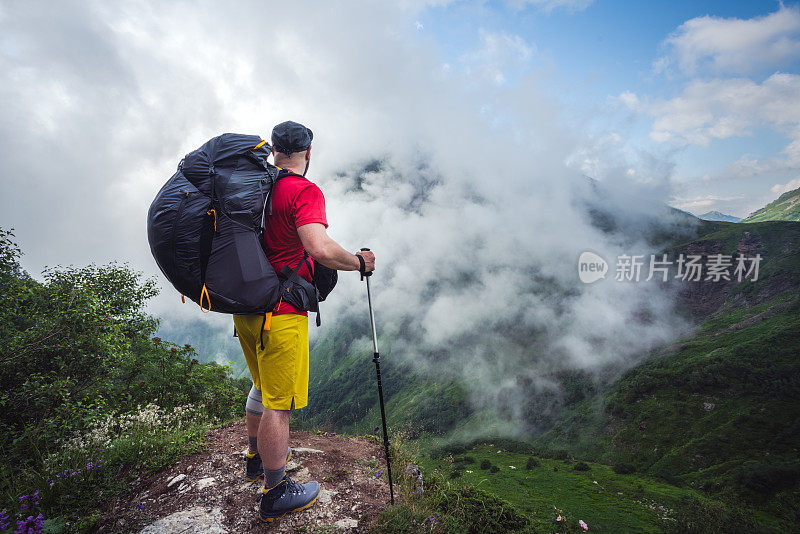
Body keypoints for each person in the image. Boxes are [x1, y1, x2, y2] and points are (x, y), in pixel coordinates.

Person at [233, 120, 375, 522]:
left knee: (262, 385)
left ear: (274, 148)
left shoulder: (255, 186)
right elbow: (319, 246)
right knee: (280, 405)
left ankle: (254, 458)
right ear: (308, 154)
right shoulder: (302, 189)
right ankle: (275, 491)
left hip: (244, 307)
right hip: (280, 313)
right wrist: (358, 263)